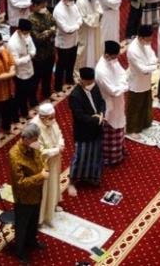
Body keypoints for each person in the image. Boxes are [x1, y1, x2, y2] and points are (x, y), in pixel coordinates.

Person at [8, 124, 49, 264]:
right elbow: (20, 182)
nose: (37, 142)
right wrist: (41, 177)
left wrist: (45, 167)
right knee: (22, 225)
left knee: (34, 220)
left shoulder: (34, 145)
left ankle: (32, 241)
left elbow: (40, 159)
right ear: (25, 139)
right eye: (34, 139)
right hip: (24, 197)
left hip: (37, 191)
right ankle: (19, 252)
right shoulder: (14, 155)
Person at [67, 67, 105, 195]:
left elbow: (101, 102)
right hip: (83, 130)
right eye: (88, 82)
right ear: (82, 80)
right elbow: (79, 116)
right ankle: (72, 181)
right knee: (81, 156)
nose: (91, 84)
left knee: (95, 154)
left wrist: (101, 113)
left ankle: (91, 177)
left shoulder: (94, 87)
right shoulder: (75, 96)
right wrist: (95, 120)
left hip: (96, 128)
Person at [29, 102, 64, 227]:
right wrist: (55, 150)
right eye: (50, 118)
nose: (53, 120)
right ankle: (41, 217)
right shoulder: (34, 129)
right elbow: (39, 152)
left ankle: (53, 205)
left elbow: (59, 133)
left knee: (54, 183)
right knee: (44, 190)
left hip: (55, 160)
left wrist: (60, 144)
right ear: (42, 117)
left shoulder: (50, 120)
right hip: (43, 165)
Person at [95, 41, 129, 165]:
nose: (116, 59)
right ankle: (110, 158)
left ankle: (119, 151)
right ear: (107, 55)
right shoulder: (101, 70)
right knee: (111, 129)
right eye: (114, 57)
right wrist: (124, 86)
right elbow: (112, 91)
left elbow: (122, 74)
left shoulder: (112, 61)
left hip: (118, 101)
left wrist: (122, 84)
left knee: (120, 125)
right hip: (109, 104)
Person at [126, 25, 158, 141]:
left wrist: (151, 65)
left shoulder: (146, 44)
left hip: (146, 80)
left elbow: (153, 57)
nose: (150, 42)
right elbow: (142, 69)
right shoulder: (132, 50)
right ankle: (131, 129)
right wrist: (152, 66)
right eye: (148, 39)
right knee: (134, 106)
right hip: (136, 82)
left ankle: (144, 123)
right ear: (140, 38)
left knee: (146, 102)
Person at [52, 0, 81, 94]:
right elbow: (66, 29)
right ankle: (58, 86)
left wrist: (75, 25)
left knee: (72, 61)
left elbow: (79, 18)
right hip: (63, 43)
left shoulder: (73, 5)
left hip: (74, 40)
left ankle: (69, 78)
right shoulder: (58, 10)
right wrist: (77, 26)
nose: (72, 1)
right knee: (61, 65)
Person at [8, 19, 37, 119]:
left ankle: (22, 111)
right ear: (19, 30)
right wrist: (29, 57)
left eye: (29, 32)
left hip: (29, 69)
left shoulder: (27, 35)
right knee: (20, 95)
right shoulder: (12, 43)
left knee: (27, 92)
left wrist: (32, 53)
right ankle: (17, 114)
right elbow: (15, 61)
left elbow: (33, 48)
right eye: (26, 32)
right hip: (20, 73)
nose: (28, 34)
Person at [28, 0, 56, 99]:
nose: (44, 7)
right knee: (36, 78)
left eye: (44, 5)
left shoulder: (46, 13)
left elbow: (55, 25)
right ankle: (33, 99)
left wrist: (47, 32)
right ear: (34, 6)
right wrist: (50, 31)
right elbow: (38, 38)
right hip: (38, 55)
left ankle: (46, 93)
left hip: (50, 51)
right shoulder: (31, 19)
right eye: (41, 5)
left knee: (48, 76)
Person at [75, 0, 103, 70]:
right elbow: (85, 19)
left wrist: (99, 15)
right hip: (85, 30)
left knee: (96, 47)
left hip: (95, 29)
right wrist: (98, 16)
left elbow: (99, 9)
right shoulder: (80, 1)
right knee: (83, 50)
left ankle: (94, 66)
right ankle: (79, 71)